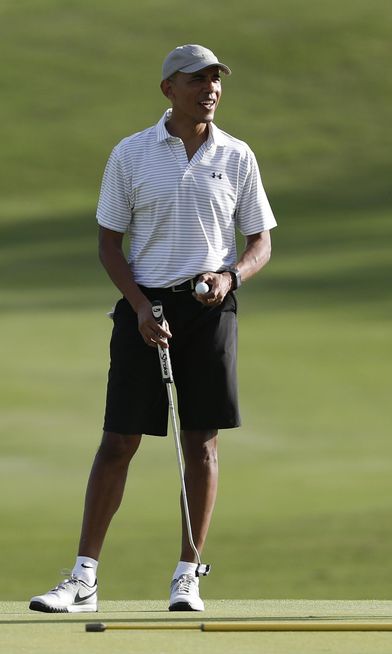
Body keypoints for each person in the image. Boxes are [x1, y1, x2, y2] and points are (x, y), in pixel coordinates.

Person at [29, 44, 276, 613]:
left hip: (210, 311)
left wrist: (230, 277)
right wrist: (140, 306)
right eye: (197, 80)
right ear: (168, 89)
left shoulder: (237, 155)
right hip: (145, 308)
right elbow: (108, 245)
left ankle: (188, 575)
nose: (210, 89)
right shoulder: (131, 154)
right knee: (118, 441)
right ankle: (83, 580)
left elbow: (260, 241)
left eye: (215, 80)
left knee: (201, 443)